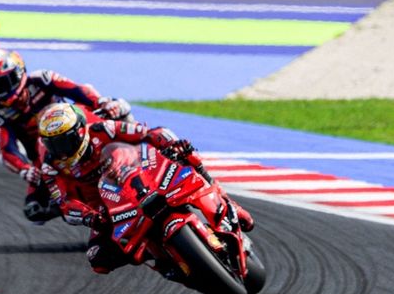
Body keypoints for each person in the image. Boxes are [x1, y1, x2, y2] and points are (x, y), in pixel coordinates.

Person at [35, 103, 254, 275]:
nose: (61, 150)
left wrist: (170, 143)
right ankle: (161, 262)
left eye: (65, 141)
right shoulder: (50, 166)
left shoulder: (104, 129)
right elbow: (64, 204)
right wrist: (88, 216)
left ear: (80, 130)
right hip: (106, 207)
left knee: (188, 156)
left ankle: (226, 201)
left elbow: (146, 132)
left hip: (140, 175)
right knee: (98, 259)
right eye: (53, 144)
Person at [0, 49, 132, 225]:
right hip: (46, 158)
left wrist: (102, 103)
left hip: (79, 131)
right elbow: (7, 150)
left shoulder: (42, 78)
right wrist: (24, 169)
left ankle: (153, 147)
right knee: (34, 211)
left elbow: (79, 91)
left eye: (4, 82)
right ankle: (89, 214)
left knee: (119, 107)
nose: (1, 90)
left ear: (19, 72)